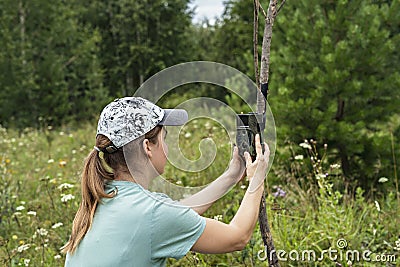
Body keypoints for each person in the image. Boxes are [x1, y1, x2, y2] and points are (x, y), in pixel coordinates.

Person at [62, 97, 270, 267]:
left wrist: (232, 175)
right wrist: (257, 179)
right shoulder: (153, 213)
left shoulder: (101, 198)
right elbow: (238, 237)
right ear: (148, 147)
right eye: (165, 137)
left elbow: (175, 213)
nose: (168, 147)